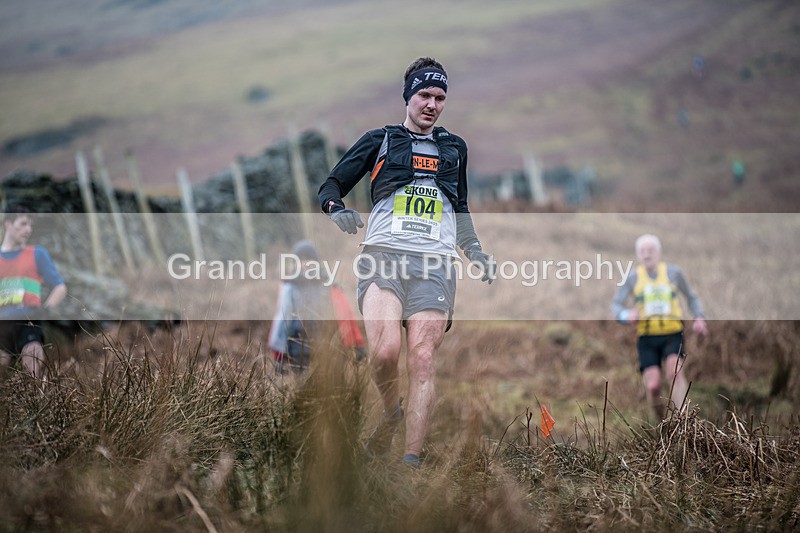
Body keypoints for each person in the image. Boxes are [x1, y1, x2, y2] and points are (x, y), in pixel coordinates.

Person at [318, 57, 495, 466]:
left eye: (439, 97)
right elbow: (332, 184)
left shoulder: (455, 149)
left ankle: (410, 460)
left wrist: (475, 252)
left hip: (435, 264)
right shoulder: (379, 140)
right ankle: (392, 411)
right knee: (383, 354)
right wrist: (335, 208)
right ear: (408, 97)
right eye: (424, 95)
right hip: (383, 256)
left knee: (423, 357)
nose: (432, 104)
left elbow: (460, 206)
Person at [611, 234, 708, 419]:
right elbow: (616, 305)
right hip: (647, 338)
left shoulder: (674, 273)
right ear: (638, 255)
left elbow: (691, 297)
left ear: (659, 253)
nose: (647, 255)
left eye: (651, 250)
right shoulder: (632, 278)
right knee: (653, 386)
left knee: (675, 373)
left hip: (672, 333)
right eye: (642, 251)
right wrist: (626, 315)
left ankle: (684, 423)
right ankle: (662, 426)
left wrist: (699, 318)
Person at [268, 240, 366, 374]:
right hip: (299, 349)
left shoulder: (328, 283)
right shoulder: (290, 286)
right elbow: (282, 318)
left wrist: (356, 344)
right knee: (304, 388)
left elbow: (344, 314)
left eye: (309, 259)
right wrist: (279, 355)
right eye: (301, 260)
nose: (305, 263)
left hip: (330, 347)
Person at [0, 207, 67, 380]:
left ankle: (38, 402)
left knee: (33, 367)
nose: (28, 229)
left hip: (28, 322)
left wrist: (46, 309)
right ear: (8, 224)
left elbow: (60, 287)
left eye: (30, 225)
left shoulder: (37, 254)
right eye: (22, 224)